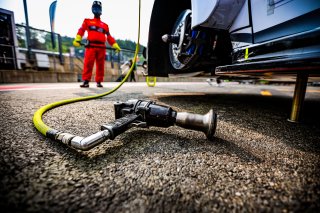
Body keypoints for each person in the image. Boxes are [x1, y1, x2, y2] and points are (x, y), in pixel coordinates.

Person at [73, 1, 121, 88]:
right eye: (94, 7)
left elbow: (109, 37)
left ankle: (99, 81)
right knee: (88, 64)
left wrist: (115, 45)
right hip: (91, 46)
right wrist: (78, 39)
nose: (96, 9)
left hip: (102, 47)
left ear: (101, 10)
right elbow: (81, 30)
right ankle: (86, 81)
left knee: (100, 65)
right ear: (92, 9)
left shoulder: (105, 25)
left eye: (98, 8)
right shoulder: (87, 21)